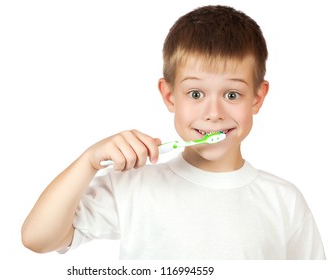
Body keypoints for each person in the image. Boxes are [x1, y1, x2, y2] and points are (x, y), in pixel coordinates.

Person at [21, 5, 325, 259]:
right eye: (195, 94)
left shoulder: (284, 200)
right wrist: (88, 161)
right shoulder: (134, 187)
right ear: (170, 97)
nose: (214, 112)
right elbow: (38, 238)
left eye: (232, 95)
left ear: (257, 98)